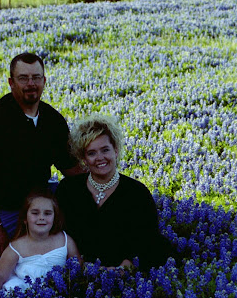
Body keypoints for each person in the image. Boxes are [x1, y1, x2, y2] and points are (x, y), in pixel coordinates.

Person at [0, 52, 82, 267]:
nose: (31, 84)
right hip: (1, 208)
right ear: (11, 82)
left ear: (44, 81)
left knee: (41, 268)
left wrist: (107, 186)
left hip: (37, 207)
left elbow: (71, 168)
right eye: (23, 78)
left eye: (36, 77)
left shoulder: (52, 120)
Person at [55, 114, 173, 270]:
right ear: (83, 159)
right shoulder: (68, 189)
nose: (100, 158)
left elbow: (149, 242)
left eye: (105, 150)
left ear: (116, 151)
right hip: (76, 276)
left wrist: (126, 268)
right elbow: (54, 235)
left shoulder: (137, 193)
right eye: (91, 153)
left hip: (126, 278)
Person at [0, 189, 81, 292]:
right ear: (25, 219)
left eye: (47, 213)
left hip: (58, 294)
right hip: (24, 297)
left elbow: (79, 267)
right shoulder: (17, 247)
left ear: (55, 218)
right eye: (35, 213)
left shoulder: (64, 240)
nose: (41, 217)